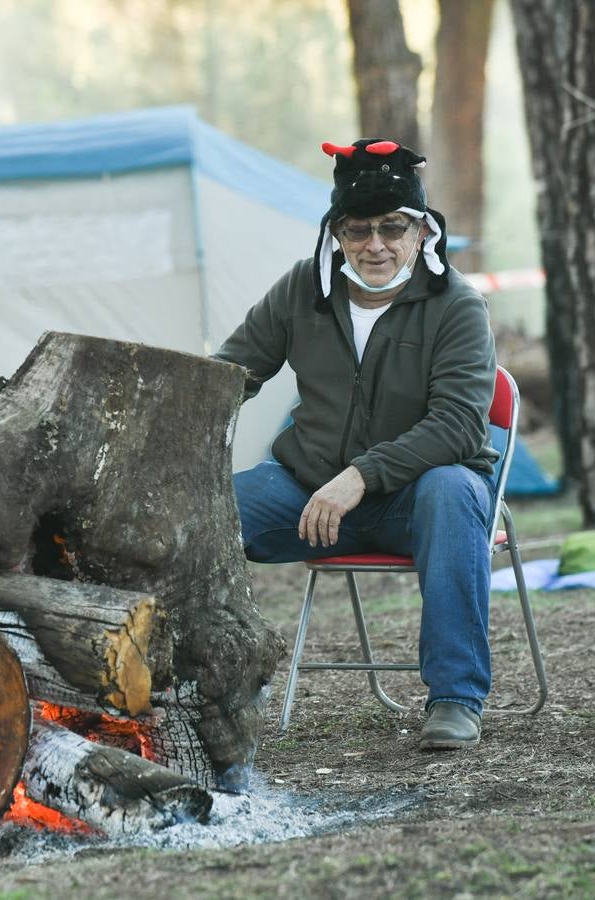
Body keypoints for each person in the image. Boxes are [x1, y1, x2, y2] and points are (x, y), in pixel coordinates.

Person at [214, 138, 499, 751]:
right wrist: (167, 420)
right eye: (358, 229)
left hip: (417, 500)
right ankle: (185, 693)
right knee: (199, 517)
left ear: (422, 231)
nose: (376, 245)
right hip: (308, 494)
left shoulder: (457, 306)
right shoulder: (302, 290)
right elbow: (231, 373)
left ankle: (455, 698)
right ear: (335, 234)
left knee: (452, 489)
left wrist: (359, 477)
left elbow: (458, 426)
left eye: (393, 227)